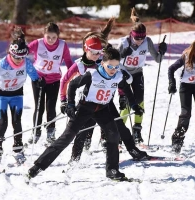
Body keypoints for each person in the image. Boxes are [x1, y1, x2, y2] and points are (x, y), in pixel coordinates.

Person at [25, 45, 145, 182]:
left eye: (116, 67)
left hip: (103, 109)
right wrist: (69, 104)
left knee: (114, 135)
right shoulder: (93, 74)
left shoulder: (118, 76)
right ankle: (37, 167)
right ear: (103, 63)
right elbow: (72, 85)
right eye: (110, 66)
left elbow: (126, 89)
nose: (113, 70)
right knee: (66, 138)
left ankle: (112, 170)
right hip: (85, 108)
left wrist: (134, 105)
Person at [58, 19, 148, 163]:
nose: (98, 53)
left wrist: (123, 91)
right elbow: (65, 82)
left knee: (119, 126)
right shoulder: (79, 65)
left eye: (100, 50)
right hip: (87, 102)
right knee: (82, 131)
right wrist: (65, 102)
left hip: (105, 102)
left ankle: (133, 150)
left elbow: (116, 73)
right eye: (95, 51)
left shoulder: (102, 59)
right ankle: (74, 160)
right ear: (86, 49)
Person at [0, 27, 45, 167]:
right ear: (11, 54)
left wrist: (39, 82)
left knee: (17, 122)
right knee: (3, 122)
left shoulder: (26, 64)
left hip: (17, 94)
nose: (19, 60)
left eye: (22, 57)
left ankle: (18, 151)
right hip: (1, 94)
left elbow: (35, 77)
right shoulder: (4, 63)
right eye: (16, 57)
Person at [117, 8, 167, 145]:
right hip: (123, 74)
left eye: (142, 38)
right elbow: (112, 60)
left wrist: (162, 51)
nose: (139, 41)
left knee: (139, 101)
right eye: (136, 38)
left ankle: (137, 130)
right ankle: (119, 132)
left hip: (138, 73)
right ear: (131, 35)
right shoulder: (124, 42)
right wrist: (122, 54)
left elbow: (157, 59)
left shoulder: (147, 41)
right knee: (125, 104)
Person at [27, 22, 73, 145]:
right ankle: (35, 132)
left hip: (54, 80)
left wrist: (73, 74)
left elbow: (68, 61)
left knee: (51, 107)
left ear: (58, 36)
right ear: (44, 35)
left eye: (54, 37)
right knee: (39, 107)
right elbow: (23, 52)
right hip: (38, 79)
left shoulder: (63, 45)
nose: (51, 40)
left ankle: (50, 133)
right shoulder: (37, 43)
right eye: (48, 37)